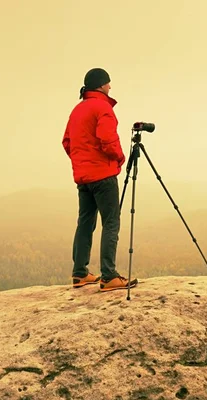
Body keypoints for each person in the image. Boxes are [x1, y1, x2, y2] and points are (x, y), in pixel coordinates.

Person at [62, 68, 138, 292]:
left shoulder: (77, 110)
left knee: (85, 222)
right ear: (101, 86)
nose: (110, 87)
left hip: (83, 177)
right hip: (103, 176)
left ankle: (80, 273)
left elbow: (67, 141)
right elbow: (107, 139)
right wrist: (120, 157)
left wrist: (82, 161)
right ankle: (109, 276)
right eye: (108, 83)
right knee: (111, 222)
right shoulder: (102, 107)